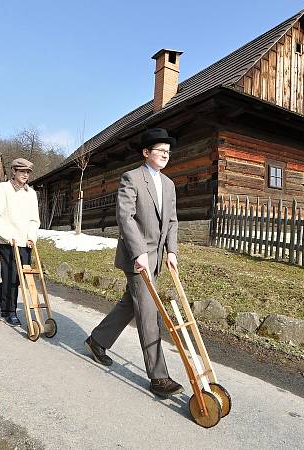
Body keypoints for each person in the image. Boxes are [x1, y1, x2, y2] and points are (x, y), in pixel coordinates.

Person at [84, 128, 183, 398]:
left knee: (131, 304)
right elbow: (125, 217)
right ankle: (159, 377)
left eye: (168, 151)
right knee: (149, 314)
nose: (165, 155)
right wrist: (139, 252)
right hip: (136, 257)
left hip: (157, 259)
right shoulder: (132, 178)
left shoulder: (169, 184)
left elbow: (172, 220)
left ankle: (97, 340)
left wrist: (171, 252)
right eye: (160, 150)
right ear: (146, 152)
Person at [0, 158, 40, 326]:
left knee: (19, 278)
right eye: (22, 171)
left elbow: (34, 219)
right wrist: (7, 235)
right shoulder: (3, 189)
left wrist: (31, 236)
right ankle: (8, 311)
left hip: (25, 241)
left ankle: (0, 290)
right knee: (10, 276)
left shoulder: (31, 193)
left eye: (28, 172)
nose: (25, 175)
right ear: (14, 172)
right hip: (8, 240)